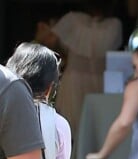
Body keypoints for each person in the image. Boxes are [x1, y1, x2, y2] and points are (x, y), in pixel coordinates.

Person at [35, 0, 123, 140]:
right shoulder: (115, 25)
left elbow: (48, 41)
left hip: (74, 80)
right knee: (98, 129)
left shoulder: (72, 19)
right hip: (100, 81)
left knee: (69, 129)